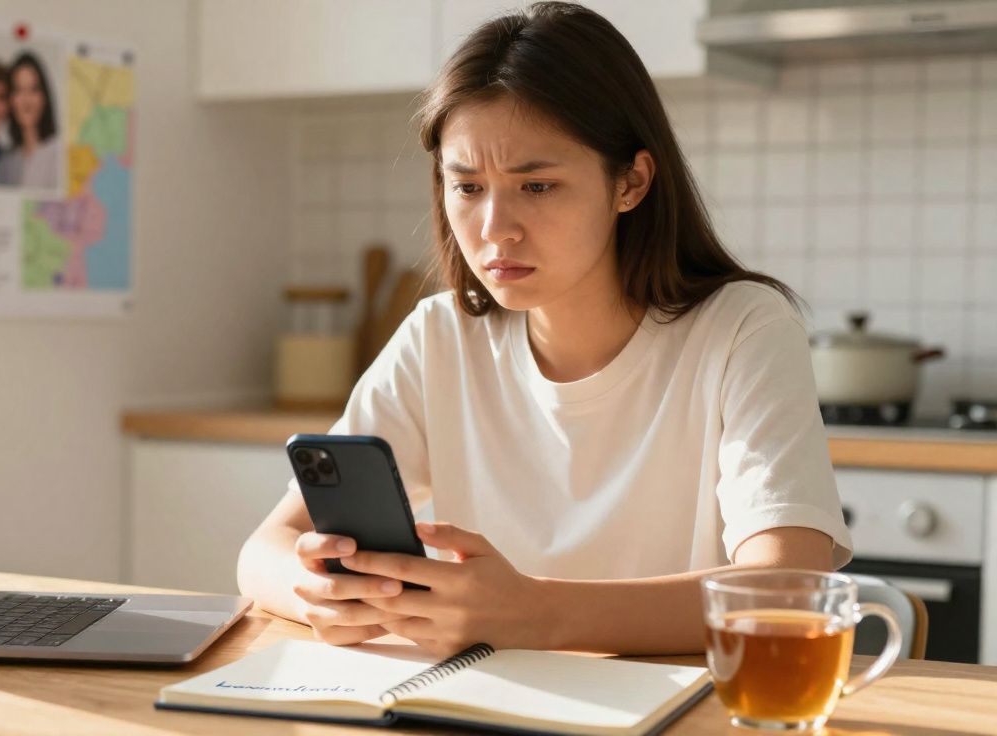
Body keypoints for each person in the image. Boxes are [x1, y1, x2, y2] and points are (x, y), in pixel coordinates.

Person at [236, 1, 851, 659]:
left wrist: (534, 613)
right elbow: (262, 550)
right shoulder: (440, 338)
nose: (496, 227)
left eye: (537, 186)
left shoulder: (742, 329)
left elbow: (787, 588)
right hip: (482, 704)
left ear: (631, 182)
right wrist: (318, 591)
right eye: (467, 187)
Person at [0, 51, 59, 189]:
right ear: (11, 99)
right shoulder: (5, 163)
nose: (26, 100)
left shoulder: (59, 155)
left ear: (44, 97)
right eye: (19, 90)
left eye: (33, 89)